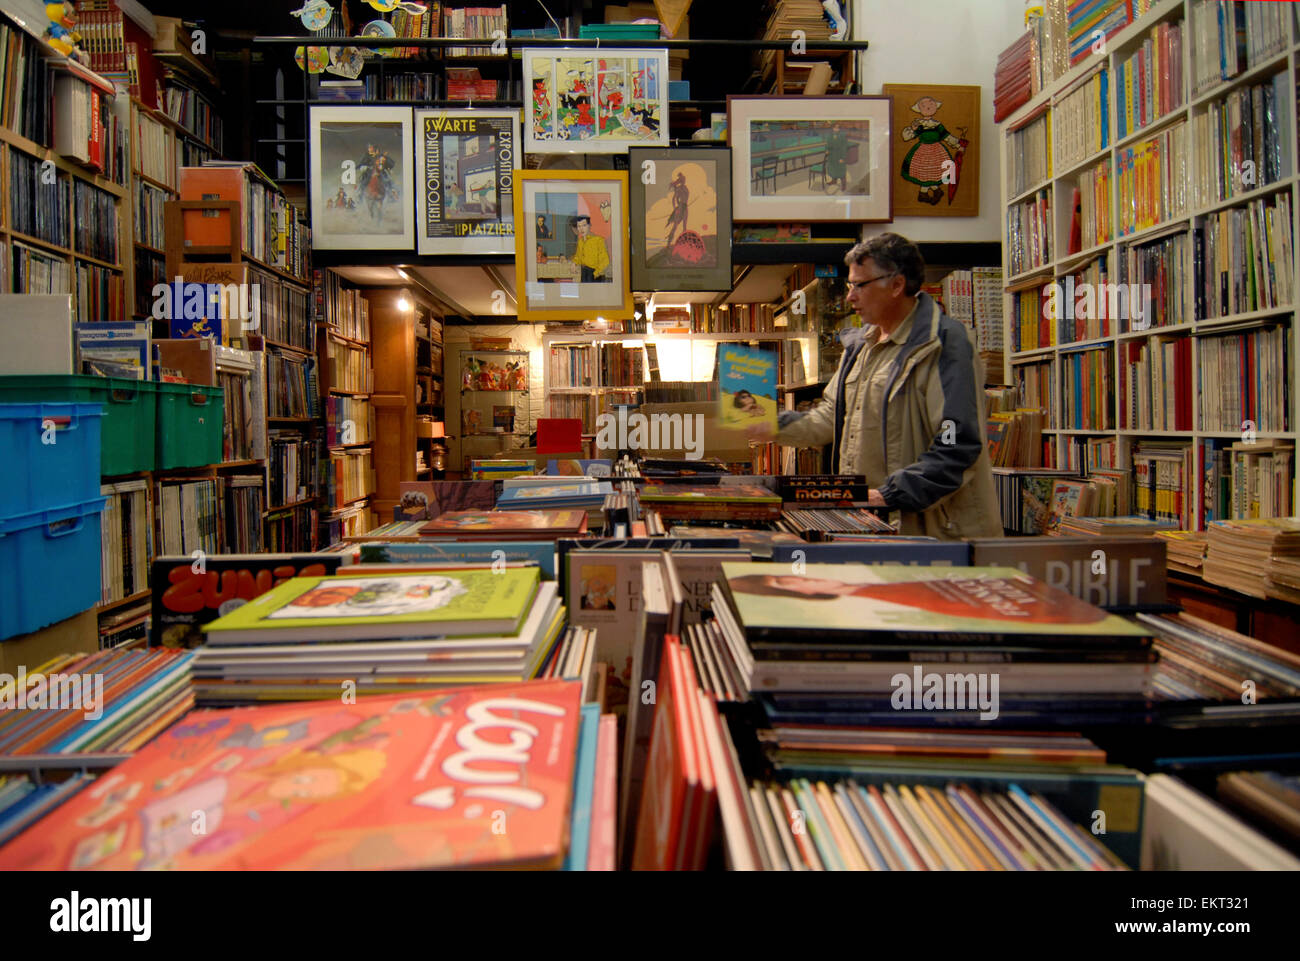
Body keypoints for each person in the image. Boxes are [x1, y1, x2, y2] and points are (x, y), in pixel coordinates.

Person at [762, 232, 1000, 539]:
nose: (849, 296)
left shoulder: (944, 344)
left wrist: (887, 495)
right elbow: (828, 417)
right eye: (849, 285)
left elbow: (957, 446)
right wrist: (768, 422)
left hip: (935, 534)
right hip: (876, 524)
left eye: (860, 285)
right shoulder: (861, 348)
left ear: (897, 285)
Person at [571, 214, 610, 283]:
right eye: (579, 226)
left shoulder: (599, 240)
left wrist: (596, 273)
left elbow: (605, 260)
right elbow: (578, 256)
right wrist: (574, 263)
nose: (581, 229)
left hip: (594, 273)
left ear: (589, 226)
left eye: (584, 225)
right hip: (584, 272)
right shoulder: (580, 241)